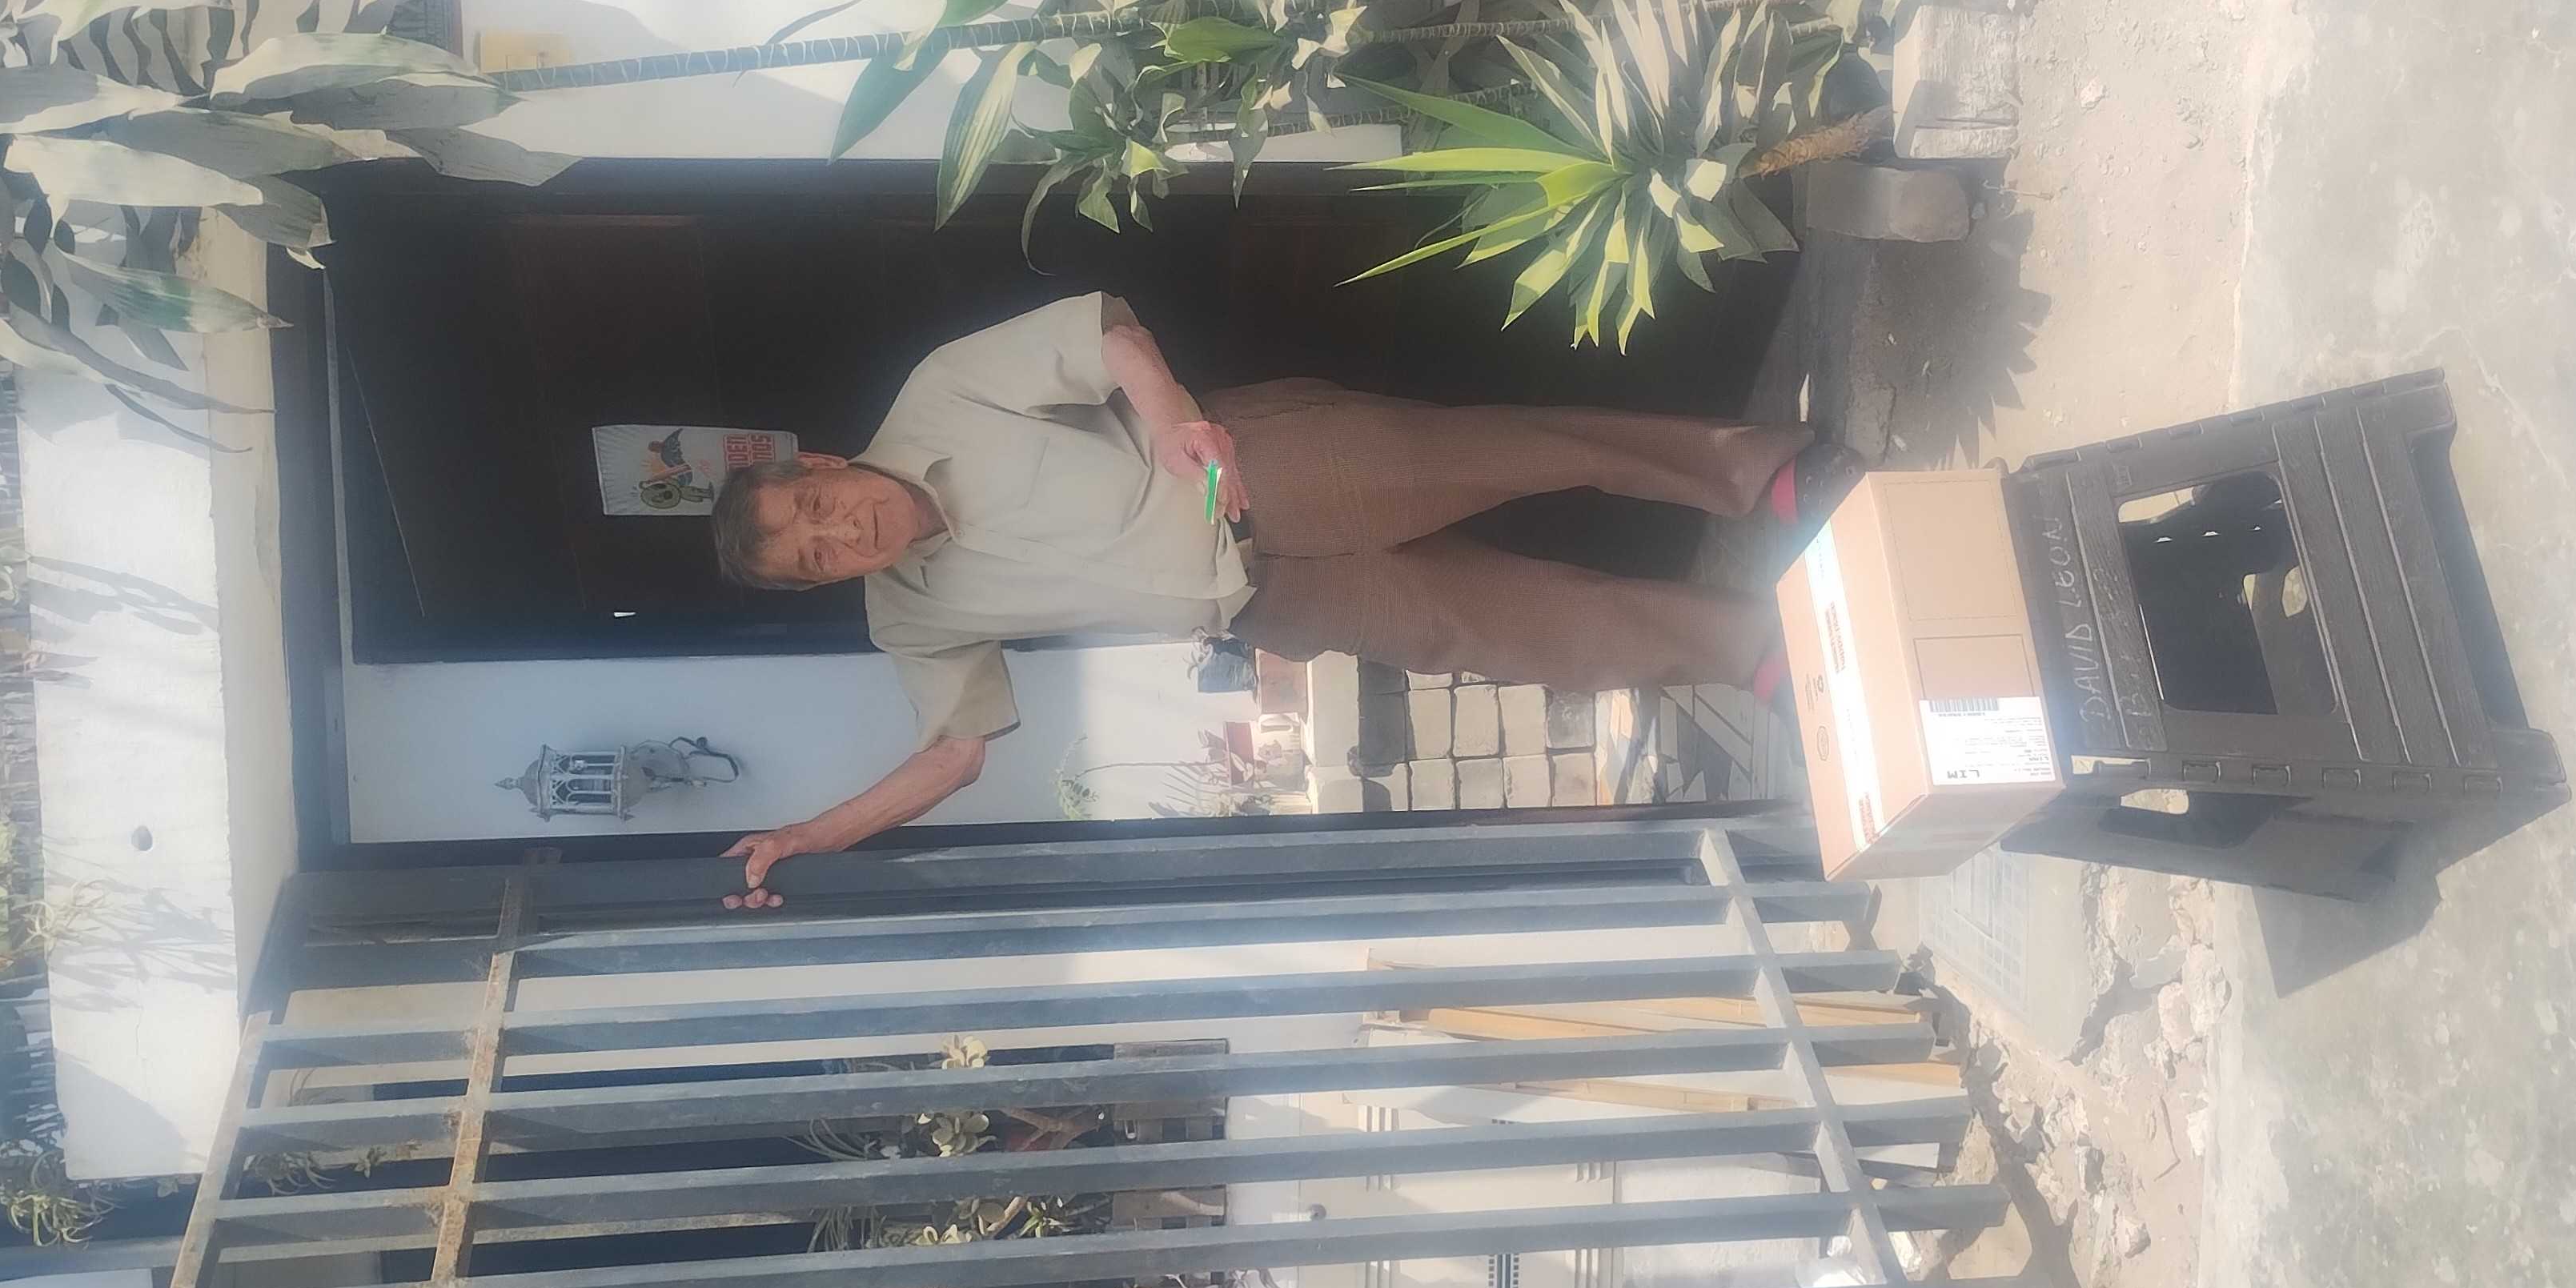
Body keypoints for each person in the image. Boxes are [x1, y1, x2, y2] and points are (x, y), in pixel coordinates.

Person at [707, 292, 1860, 908]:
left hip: (1253, 473)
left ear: (822, 466)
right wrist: (810, 834)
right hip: (1264, 604)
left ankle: (1751, 468)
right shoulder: (912, 616)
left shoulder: (941, 395)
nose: (838, 537)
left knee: (1519, 450)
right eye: (815, 561)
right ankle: (1752, 650)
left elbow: (1104, 334)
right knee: (1524, 633)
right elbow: (954, 756)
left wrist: (1173, 420)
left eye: (817, 512)